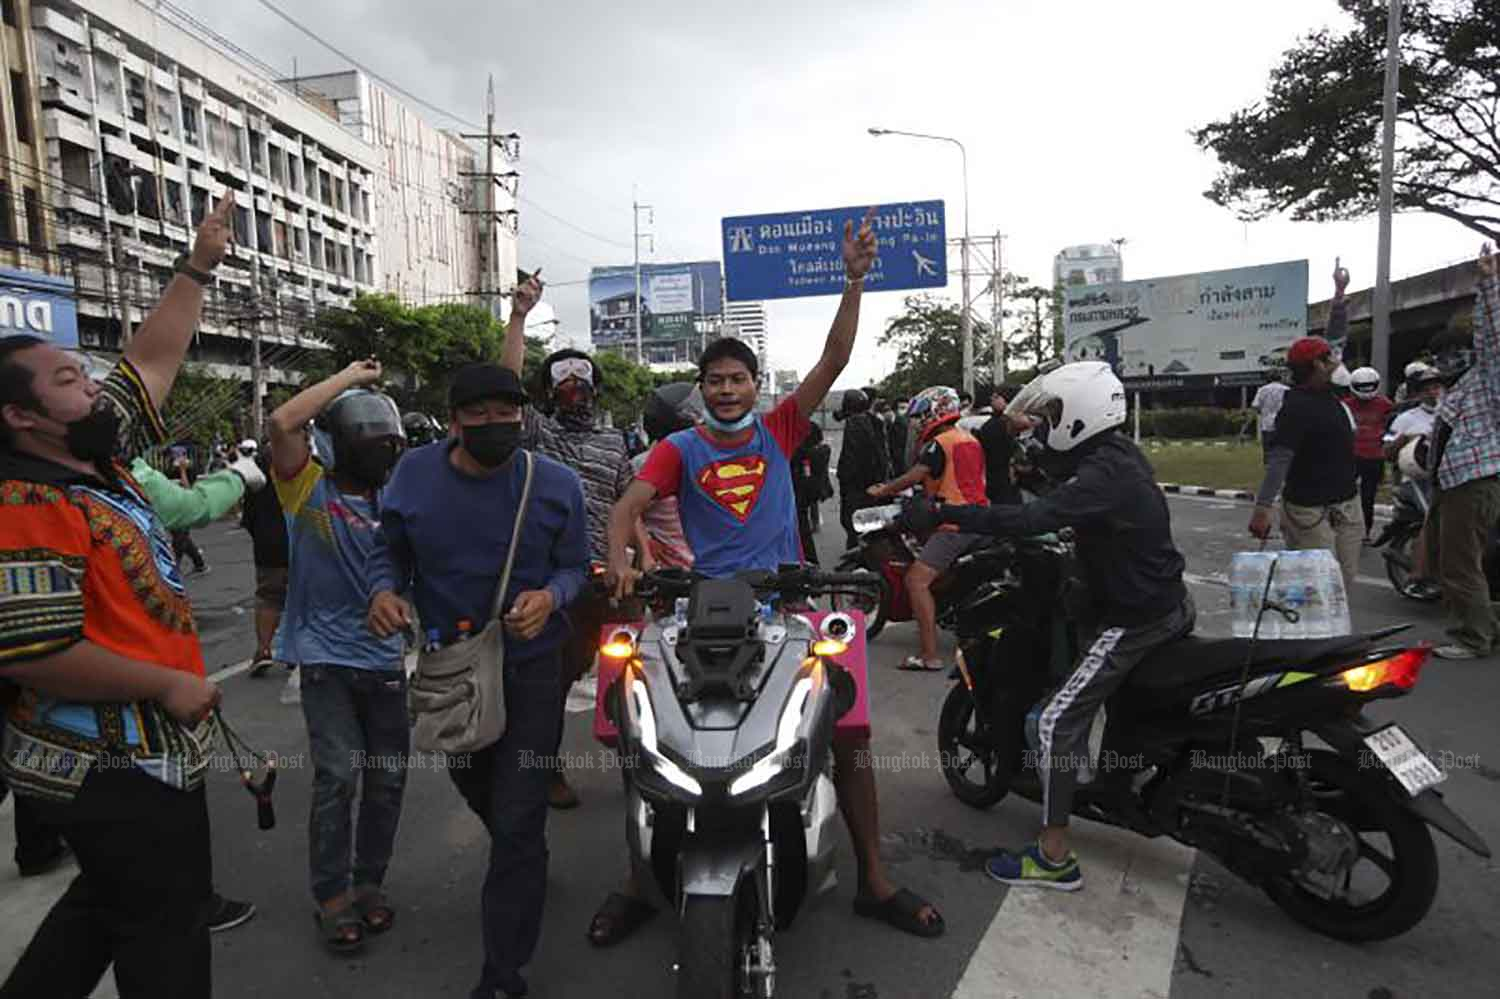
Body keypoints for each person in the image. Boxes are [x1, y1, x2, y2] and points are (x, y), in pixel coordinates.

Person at [601, 209, 947, 943]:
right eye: (714, 381)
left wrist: (855, 280)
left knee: (846, 734)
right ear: (700, 390)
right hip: (696, 610)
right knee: (643, 735)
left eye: (737, 379)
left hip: (790, 603)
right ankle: (637, 881)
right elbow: (628, 505)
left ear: (757, 385)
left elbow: (836, 356)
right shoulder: (681, 448)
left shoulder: (782, 427)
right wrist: (624, 557)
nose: (726, 390)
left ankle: (873, 879)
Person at [0, 196, 233, 998]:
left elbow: (151, 365)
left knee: (105, 906)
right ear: (20, 415)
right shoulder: (26, 501)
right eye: (70, 377)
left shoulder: (95, 459)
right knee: (165, 933)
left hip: (147, 754)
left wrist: (198, 266)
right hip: (112, 768)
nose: (94, 384)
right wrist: (168, 682)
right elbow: (42, 652)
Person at [904, 361, 1192, 890]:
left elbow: (1033, 518)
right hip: (1164, 603)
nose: (1045, 424)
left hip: (1132, 620)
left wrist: (947, 515)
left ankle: (1054, 855)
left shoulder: (1104, 474)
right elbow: (1063, 494)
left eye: (1054, 414)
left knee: (1053, 722)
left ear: (1080, 415)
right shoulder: (1117, 456)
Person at [367, 362, 588, 999]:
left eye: (507, 412)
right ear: (455, 420)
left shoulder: (554, 485)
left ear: (523, 414)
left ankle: (502, 976)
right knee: (482, 792)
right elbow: (391, 551)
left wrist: (551, 595)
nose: (496, 424)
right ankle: (523, 863)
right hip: (450, 671)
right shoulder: (411, 474)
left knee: (518, 817)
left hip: (532, 670)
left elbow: (576, 566)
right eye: (480, 414)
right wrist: (384, 591)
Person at [268, 360, 411, 955]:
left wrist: (399, 599)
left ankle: (368, 882)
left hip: (383, 663)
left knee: (388, 780)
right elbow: (282, 420)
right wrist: (351, 376)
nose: (378, 453)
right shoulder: (306, 488)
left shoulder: (399, 499)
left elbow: (412, 568)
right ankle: (331, 894)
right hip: (325, 661)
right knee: (337, 777)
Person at [501, 287, 633, 809]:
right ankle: (547, 770)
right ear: (550, 392)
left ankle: (641, 767)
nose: (574, 387)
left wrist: (637, 558)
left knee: (629, 678)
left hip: (608, 578)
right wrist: (517, 316)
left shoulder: (614, 442)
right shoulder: (538, 434)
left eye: (582, 379)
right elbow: (507, 385)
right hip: (552, 580)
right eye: (563, 380)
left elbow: (629, 507)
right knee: (549, 685)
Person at [127, 443, 267, 934]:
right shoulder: (105, 473)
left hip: (142, 673)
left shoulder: (75, 475)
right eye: (68, 380)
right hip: (142, 683)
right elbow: (186, 507)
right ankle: (189, 902)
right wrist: (240, 476)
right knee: (173, 791)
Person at [1250, 261, 1362, 593]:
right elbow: (1279, 461)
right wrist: (1262, 508)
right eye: (1329, 358)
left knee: (1345, 582)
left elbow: (1337, 335)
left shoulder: (1327, 390)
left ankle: (1334, 636)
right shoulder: (1294, 408)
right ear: (1316, 365)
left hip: (1346, 505)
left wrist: (1339, 294)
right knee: (1318, 588)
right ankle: (1315, 640)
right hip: (1308, 512)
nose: (1336, 360)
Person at [867, 385, 989, 672]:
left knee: (916, 581)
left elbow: (916, 475)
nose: (918, 421)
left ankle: (928, 654)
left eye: (922, 415)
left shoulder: (940, 443)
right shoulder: (969, 438)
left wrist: (883, 490)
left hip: (955, 523)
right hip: (982, 518)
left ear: (937, 411)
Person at [1425, 245, 1500, 660]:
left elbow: (1493, 338)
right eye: (1438, 356)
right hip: (1453, 485)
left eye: (1451, 353)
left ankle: (1473, 638)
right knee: (1443, 563)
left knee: (1460, 567)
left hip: (1474, 485)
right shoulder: (1456, 390)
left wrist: (1489, 283)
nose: (1443, 361)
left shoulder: (1487, 378)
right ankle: (1486, 625)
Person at [239, 438, 292, 676]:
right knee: (301, 598)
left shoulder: (255, 477)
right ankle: (296, 651)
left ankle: (263, 650)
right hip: (299, 544)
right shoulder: (305, 469)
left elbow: (248, 518)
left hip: (268, 547)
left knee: (268, 598)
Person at [634, 382, 700, 571]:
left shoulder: (706, 457)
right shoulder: (648, 464)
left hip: (714, 570)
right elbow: (626, 513)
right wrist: (645, 545)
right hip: (673, 577)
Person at [835, 388, 890, 549]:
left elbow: (851, 457)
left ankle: (858, 560)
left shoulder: (855, 423)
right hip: (873, 483)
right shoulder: (874, 421)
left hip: (856, 486)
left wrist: (844, 477)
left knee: (853, 524)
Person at [1345, 365, 1395, 539]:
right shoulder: (1345, 405)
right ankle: (1346, 528)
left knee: (1368, 496)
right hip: (1351, 455)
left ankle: (1365, 531)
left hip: (1375, 456)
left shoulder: (1386, 405)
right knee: (1344, 495)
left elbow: (1392, 429)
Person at [975, 386, 1022, 505]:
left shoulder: (1007, 423)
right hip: (997, 476)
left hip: (1003, 478)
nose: (992, 399)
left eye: (997, 397)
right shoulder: (995, 423)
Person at [792, 421, 829, 565]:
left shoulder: (804, 453)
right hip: (807, 491)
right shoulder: (819, 450)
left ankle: (809, 562)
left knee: (801, 529)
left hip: (800, 492)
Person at [169, 448, 209, 575]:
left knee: (179, 537)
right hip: (174, 506)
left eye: (179, 455)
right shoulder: (170, 470)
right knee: (182, 537)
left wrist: (182, 470)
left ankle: (175, 567)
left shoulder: (191, 470)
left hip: (186, 506)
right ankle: (200, 564)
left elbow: (187, 488)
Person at [1249, 368, 1290, 464]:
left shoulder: (1262, 390)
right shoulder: (1286, 389)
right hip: (1282, 423)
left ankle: (1268, 463)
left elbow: (1256, 406)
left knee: (1268, 447)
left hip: (1267, 423)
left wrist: (1262, 410)